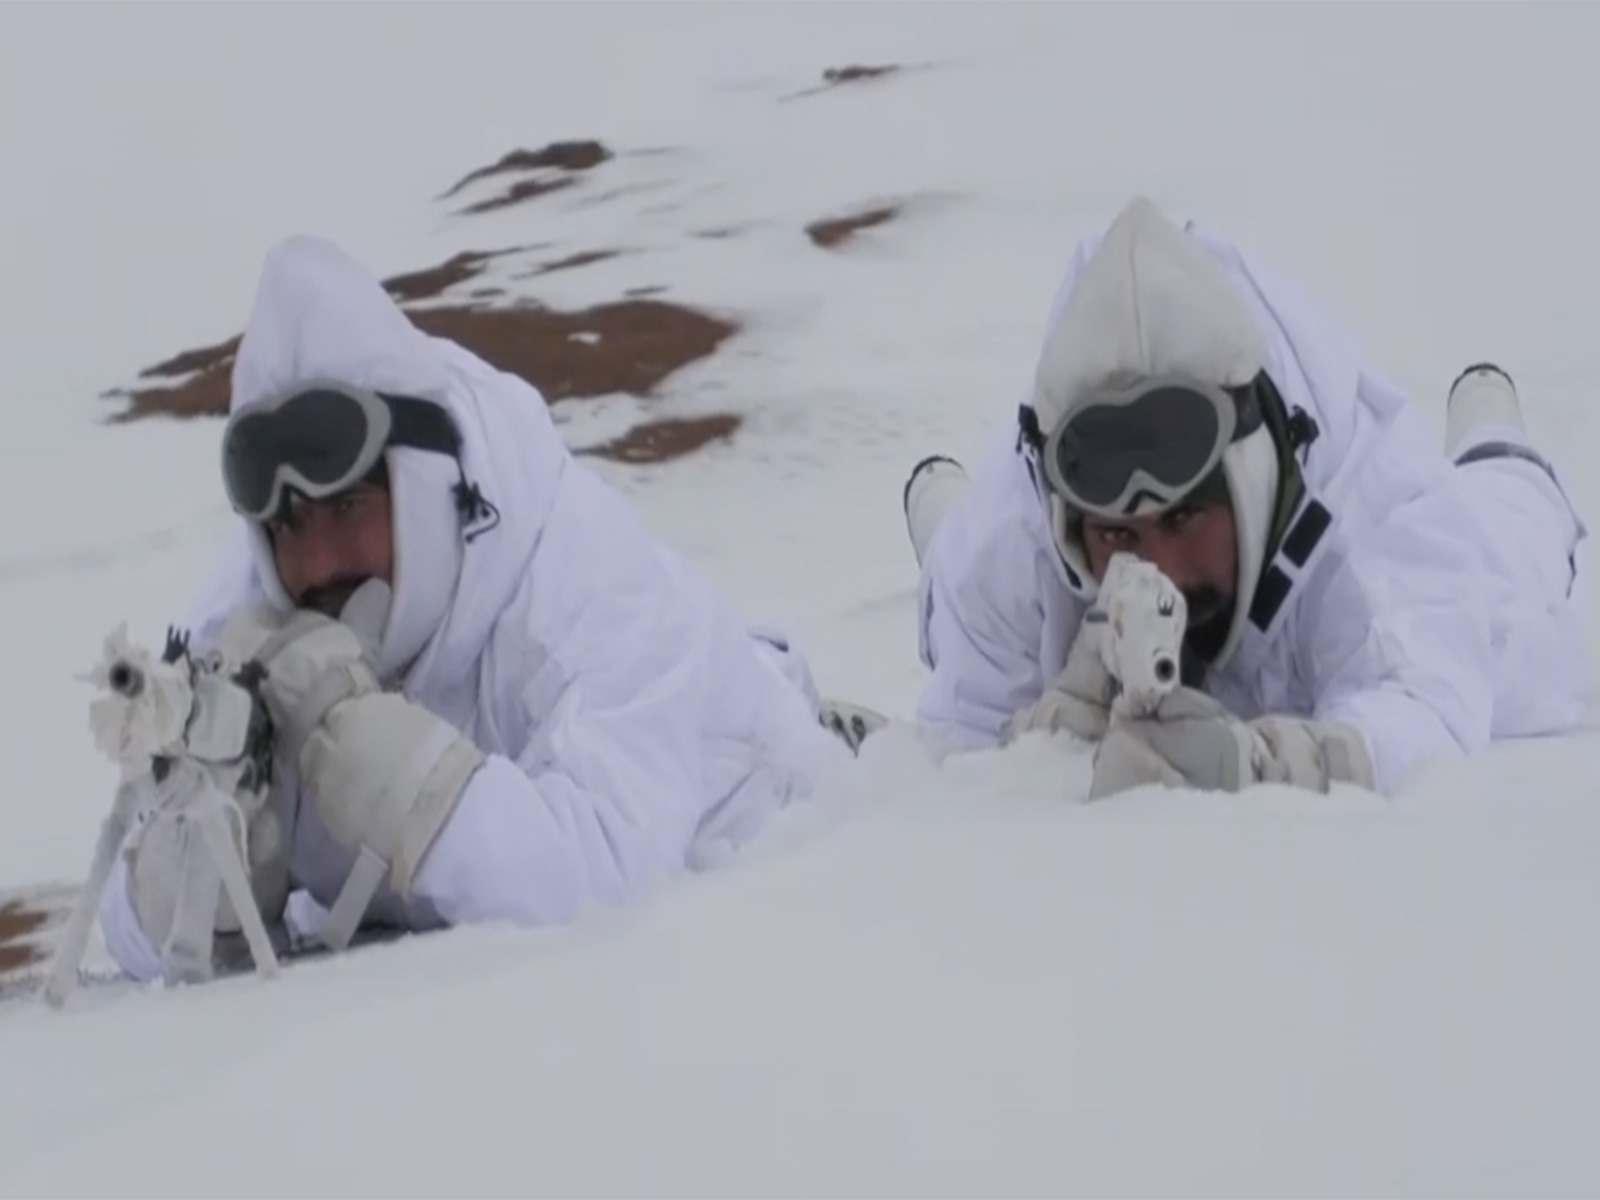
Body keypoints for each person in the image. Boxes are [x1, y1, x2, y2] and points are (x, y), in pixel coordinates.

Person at [97, 233, 876, 983]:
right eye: (288, 525)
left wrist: (411, 786)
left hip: (756, 818)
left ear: (425, 490)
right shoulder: (251, 610)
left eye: (348, 507)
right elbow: (124, 921)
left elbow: (610, 884)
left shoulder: (589, 583)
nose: (317, 562)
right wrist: (184, 885)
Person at [902, 196, 1593, 800]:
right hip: (993, 551)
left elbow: (1424, 705)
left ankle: (1493, 435)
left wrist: (1286, 768)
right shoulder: (1011, 536)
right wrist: (1040, 752)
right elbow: (965, 729)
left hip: (1482, 540)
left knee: (1511, 553)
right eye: (1119, 534)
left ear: (1248, 485)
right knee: (955, 576)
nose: (1162, 570)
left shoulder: (1374, 505)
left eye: (1183, 517)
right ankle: (939, 515)